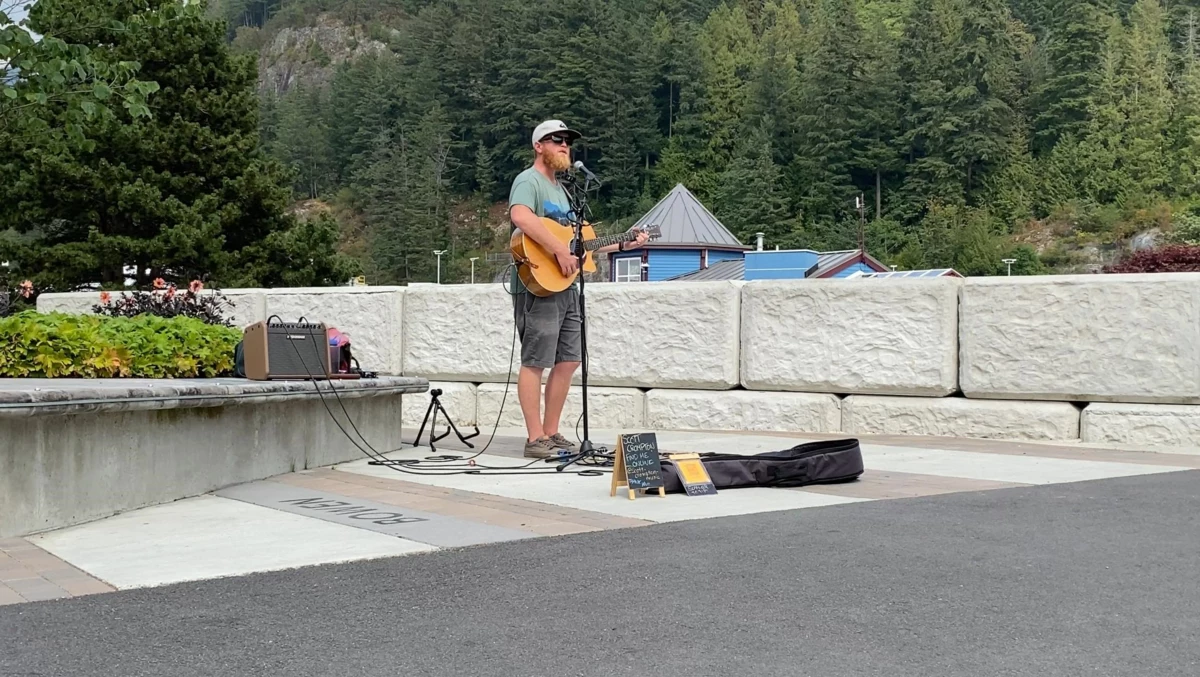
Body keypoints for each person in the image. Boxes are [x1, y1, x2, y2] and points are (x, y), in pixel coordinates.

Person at [508, 119, 649, 458]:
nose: (564, 145)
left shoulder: (565, 191)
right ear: (538, 146)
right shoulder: (528, 181)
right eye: (556, 139)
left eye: (567, 141)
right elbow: (521, 217)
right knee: (535, 360)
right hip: (537, 283)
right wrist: (558, 250)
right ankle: (534, 438)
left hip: (566, 285)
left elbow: (584, 241)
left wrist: (626, 243)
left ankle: (551, 431)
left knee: (569, 360)